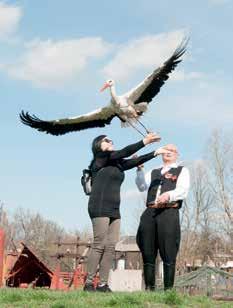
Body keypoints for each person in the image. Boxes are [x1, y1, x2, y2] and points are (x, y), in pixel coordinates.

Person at [83, 133, 170, 292]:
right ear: (98, 145)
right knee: (99, 244)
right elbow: (124, 152)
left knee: (111, 246)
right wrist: (145, 141)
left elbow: (135, 160)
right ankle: (89, 283)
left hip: (114, 208)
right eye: (107, 140)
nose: (111, 141)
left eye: (111, 139)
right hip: (99, 206)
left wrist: (155, 153)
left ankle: (102, 284)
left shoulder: (117, 164)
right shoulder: (100, 159)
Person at [135, 144, 190, 291]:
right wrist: (139, 170)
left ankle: (168, 292)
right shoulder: (154, 171)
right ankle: (149, 289)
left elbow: (183, 191)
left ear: (177, 154)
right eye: (166, 150)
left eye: (172, 150)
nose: (168, 152)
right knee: (147, 250)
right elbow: (141, 186)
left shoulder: (181, 170)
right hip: (151, 211)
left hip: (169, 212)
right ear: (161, 154)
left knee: (169, 250)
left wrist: (169, 195)